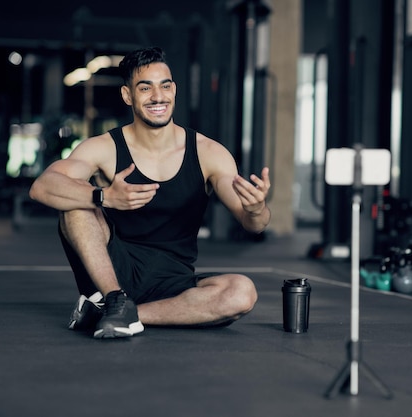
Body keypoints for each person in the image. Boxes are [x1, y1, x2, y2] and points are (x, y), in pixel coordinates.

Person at [29, 46, 271, 339]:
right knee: (77, 201)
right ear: (127, 96)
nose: (158, 97)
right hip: (110, 269)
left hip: (174, 283)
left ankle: (116, 312)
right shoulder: (104, 148)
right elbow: (43, 187)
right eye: (145, 88)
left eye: (165, 86)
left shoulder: (208, 153)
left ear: (174, 90)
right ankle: (114, 298)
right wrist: (104, 196)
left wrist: (257, 209)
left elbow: (253, 225)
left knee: (241, 293)